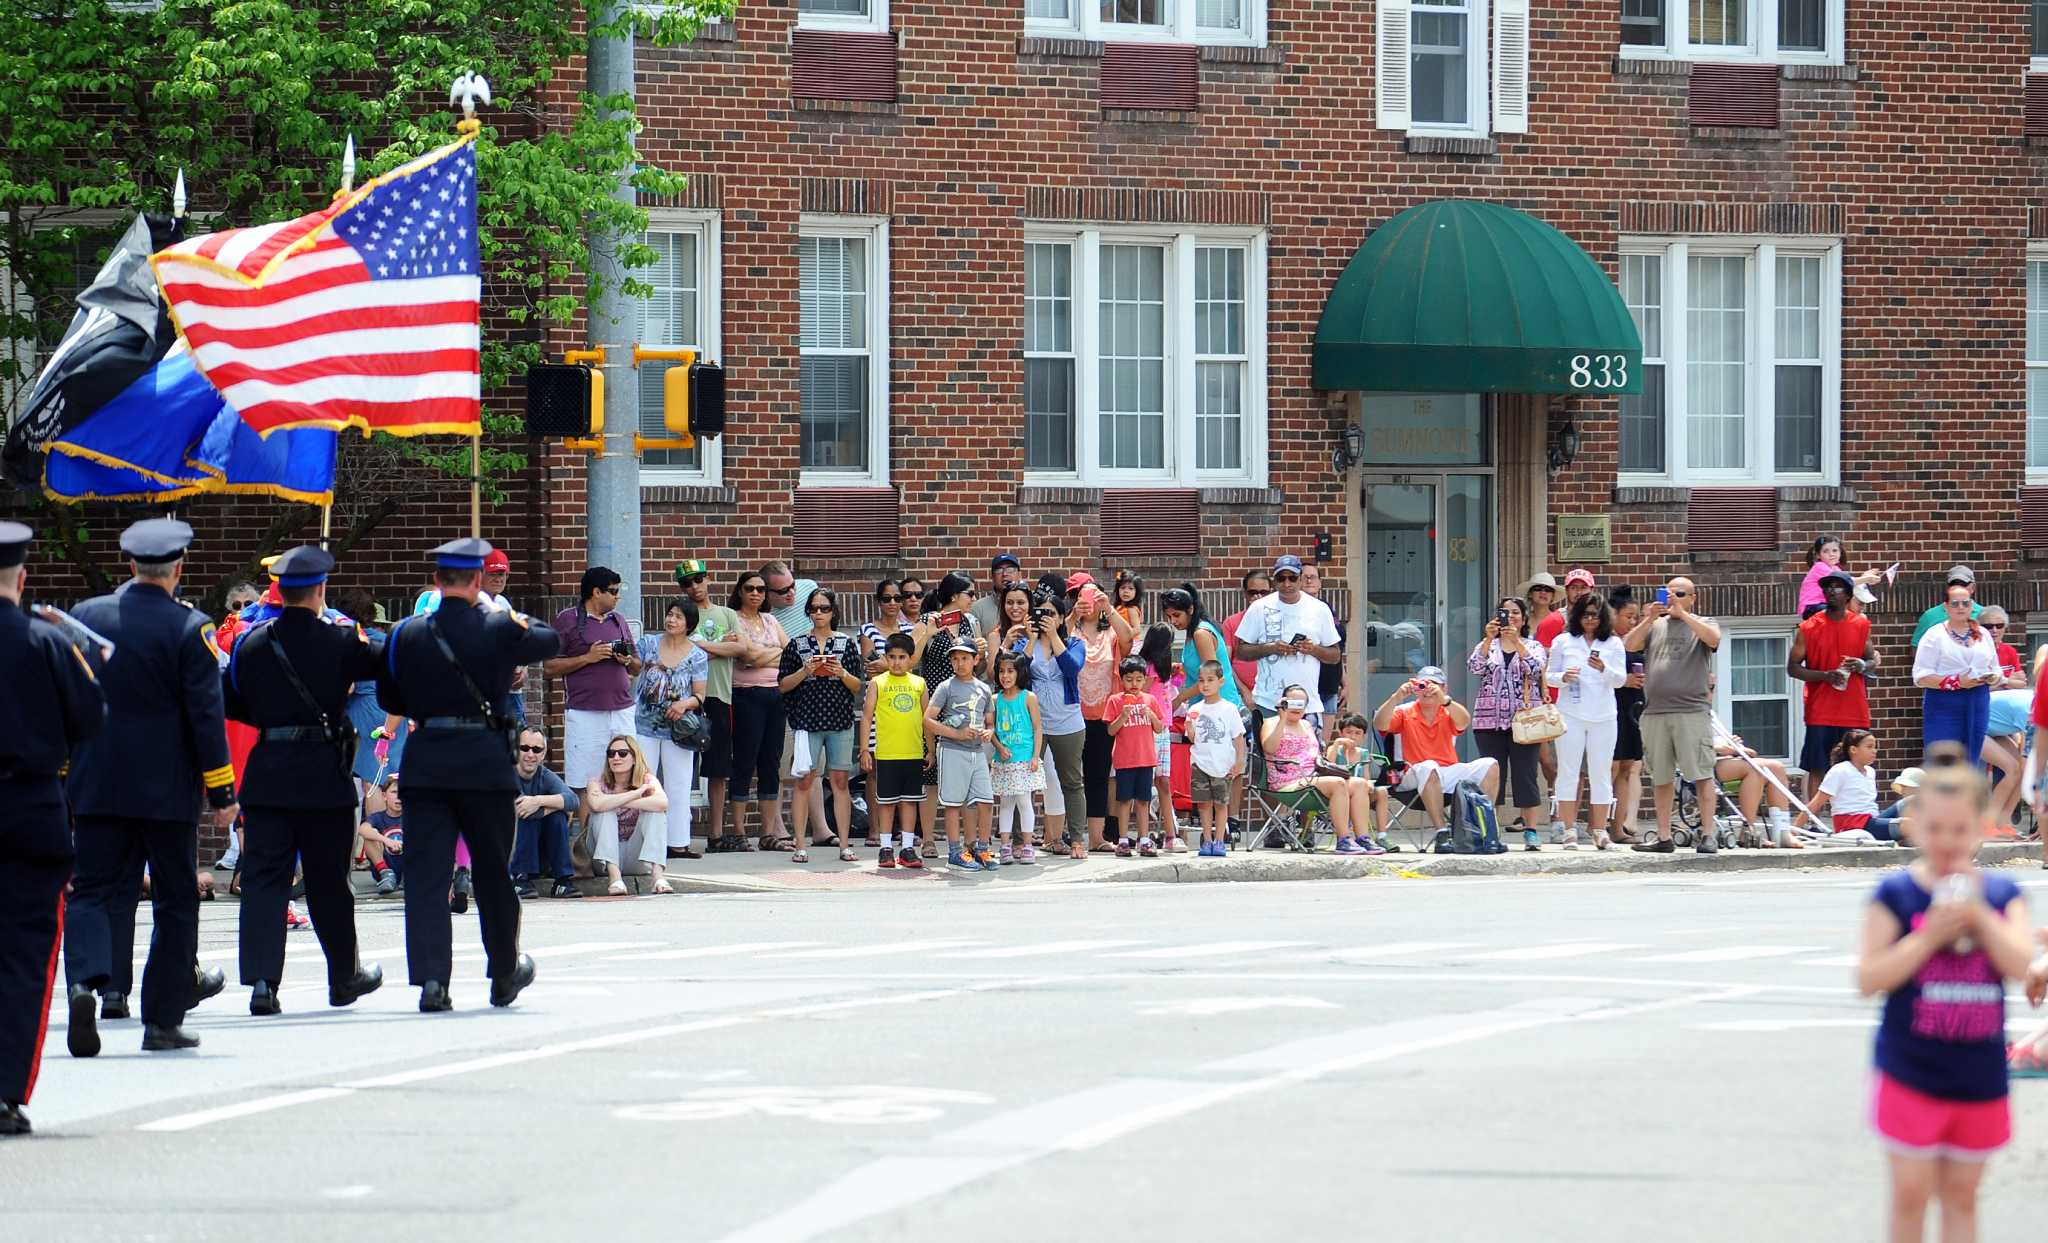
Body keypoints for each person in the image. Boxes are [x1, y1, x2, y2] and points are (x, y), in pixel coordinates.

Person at [63, 518, 238, 1056]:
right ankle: (161, 1020)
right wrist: (222, 793)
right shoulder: (191, 628)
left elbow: (66, 699)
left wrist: (68, 770)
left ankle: (84, 983)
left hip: (95, 784)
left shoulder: (84, 618)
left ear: (130, 565)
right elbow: (205, 717)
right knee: (176, 899)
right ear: (178, 568)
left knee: (91, 889)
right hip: (165, 791)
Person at [376, 537, 558, 1013]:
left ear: (437, 582)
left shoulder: (406, 633)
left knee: (427, 877)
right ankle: (503, 972)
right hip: (484, 762)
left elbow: (391, 701)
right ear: (478, 581)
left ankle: (433, 982)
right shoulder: (499, 625)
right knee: (494, 872)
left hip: (428, 762)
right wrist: (497, 609)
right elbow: (547, 638)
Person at [1855, 766, 2034, 1243]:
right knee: (1910, 1194)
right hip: (1910, 1071)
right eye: (1936, 829)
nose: (1948, 842)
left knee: (1961, 1197)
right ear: (1915, 825)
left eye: (1960, 830)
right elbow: (1869, 978)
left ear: (1980, 828)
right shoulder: (1896, 895)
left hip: (1978, 1075)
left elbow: (2021, 963)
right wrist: (1927, 935)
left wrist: (1981, 918)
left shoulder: (2001, 894)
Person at [220, 545, 386, 1017]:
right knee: (329, 880)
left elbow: (232, 702)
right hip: (323, 775)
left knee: (264, 880)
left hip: (269, 768)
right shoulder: (340, 639)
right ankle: (342, 977)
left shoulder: (252, 643)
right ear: (320, 590)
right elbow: (383, 664)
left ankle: (262, 984)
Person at [0, 522, 105, 1135]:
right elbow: (91, 720)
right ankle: (6, 1091)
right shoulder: (47, 642)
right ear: (22, 578)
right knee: (23, 956)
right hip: (30, 803)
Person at [545, 566, 641, 847]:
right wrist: (588, 657)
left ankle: (620, 846)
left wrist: (625, 661)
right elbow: (549, 666)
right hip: (585, 712)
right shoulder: (568, 620)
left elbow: (637, 664)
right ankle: (583, 852)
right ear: (595, 592)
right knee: (587, 781)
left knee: (625, 775)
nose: (616, 598)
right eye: (612, 592)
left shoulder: (619, 621)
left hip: (622, 710)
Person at [1625, 577, 1723, 855]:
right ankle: (1664, 836)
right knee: (1661, 777)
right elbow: (1629, 645)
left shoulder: (1704, 622)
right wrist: (1649, 619)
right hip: (1656, 712)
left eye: (1679, 593)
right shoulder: (1655, 625)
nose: (1673, 598)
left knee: (1702, 774)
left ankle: (1707, 834)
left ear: (1693, 596)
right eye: (1669, 593)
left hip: (1691, 711)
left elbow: (1714, 639)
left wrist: (1684, 615)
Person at [778, 588, 863, 863]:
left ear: (833, 611)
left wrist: (841, 672)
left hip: (839, 719)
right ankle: (800, 844)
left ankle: (845, 845)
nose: (818, 613)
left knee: (840, 780)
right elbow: (782, 685)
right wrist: (805, 671)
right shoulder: (796, 644)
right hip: (807, 720)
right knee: (804, 780)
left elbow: (857, 686)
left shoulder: (847, 643)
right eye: (814, 608)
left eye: (824, 608)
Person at [1789, 569, 1880, 800]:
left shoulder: (1861, 624)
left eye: (1837, 586)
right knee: (1818, 767)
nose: (1830, 590)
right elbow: (1793, 667)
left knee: (1856, 765)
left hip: (1854, 709)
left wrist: (1861, 665)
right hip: (1821, 709)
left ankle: (1853, 811)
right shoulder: (1809, 627)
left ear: (1848, 594)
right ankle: (1814, 821)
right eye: (1827, 586)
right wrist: (1825, 676)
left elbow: (1871, 661)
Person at [1545, 592, 1626, 851]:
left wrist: (1604, 668)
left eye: (1595, 615)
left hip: (1603, 715)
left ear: (1604, 618)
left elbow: (1620, 680)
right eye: (1585, 614)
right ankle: (1568, 829)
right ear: (1576, 616)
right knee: (1568, 770)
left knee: (1601, 772)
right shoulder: (1563, 641)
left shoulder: (1613, 644)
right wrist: (1563, 678)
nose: (1590, 619)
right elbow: (1548, 677)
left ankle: (1600, 830)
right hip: (1571, 712)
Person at [1467, 595, 1549, 850]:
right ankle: (1492, 829)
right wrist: (1489, 639)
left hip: (1524, 721)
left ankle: (1531, 830)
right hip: (1489, 720)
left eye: (1515, 613)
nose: (1510, 617)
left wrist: (1517, 643)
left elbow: (1536, 670)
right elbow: (1474, 668)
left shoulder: (1533, 646)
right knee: (1493, 776)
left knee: (1526, 775)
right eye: (1505, 612)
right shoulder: (1487, 645)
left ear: (1524, 619)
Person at [1372, 667, 1496, 834]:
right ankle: (1442, 832)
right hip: (1411, 774)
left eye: (1434, 685)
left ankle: (1481, 829)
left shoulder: (1449, 709)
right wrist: (1396, 698)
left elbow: (1464, 722)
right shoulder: (1403, 711)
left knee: (1490, 764)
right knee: (1429, 766)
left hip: (1446, 773)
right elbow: (1379, 724)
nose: (1428, 690)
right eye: (1423, 685)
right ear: (1415, 688)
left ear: (1444, 688)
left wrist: (1444, 700)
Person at [678, 561, 747, 853]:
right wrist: (720, 644)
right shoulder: (682, 614)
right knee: (682, 768)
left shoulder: (727, 614)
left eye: (698, 579)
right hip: (689, 696)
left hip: (720, 695)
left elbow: (741, 648)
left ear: (708, 579)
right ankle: (679, 833)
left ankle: (716, 834)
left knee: (719, 768)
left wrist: (700, 646)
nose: (694, 587)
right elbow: (679, 652)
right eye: (687, 583)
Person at [635, 597, 708, 861]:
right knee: (643, 783)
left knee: (678, 785)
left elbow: (700, 694)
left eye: (678, 616)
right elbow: (632, 667)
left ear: (689, 623)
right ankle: (642, 842)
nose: (671, 620)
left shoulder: (697, 655)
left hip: (678, 728)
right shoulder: (648, 644)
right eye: (669, 614)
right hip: (644, 725)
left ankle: (678, 843)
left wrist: (683, 704)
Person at [1233, 555, 1340, 734]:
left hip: (1307, 704)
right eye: (1281, 578)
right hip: (1269, 701)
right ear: (1275, 581)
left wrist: (1313, 649)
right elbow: (1241, 651)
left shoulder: (1319, 609)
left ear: (1300, 579)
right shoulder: (1259, 607)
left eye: (1292, 578)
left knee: (1306, 761)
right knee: (1268, 759)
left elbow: (1335, 655)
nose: (1287, 583)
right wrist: (1271, 648)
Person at [726, 569, 791, 848]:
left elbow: (791, 655)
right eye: (750, 588)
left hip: (775, 696)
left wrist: (761, 656)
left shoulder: (771, 619)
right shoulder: (733, 620)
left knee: (770, 764)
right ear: (740, 591)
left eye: (761, 590)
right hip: (746, 696)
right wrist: (763, 655)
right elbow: (746, 657)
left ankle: (768, 834)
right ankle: (739, 832)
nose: (756, 593)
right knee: (744, 762)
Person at [1070, 578, 1136, 849]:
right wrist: (1073, 613)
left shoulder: (1110, 633)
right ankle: (1067, 835)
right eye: (1083, 597)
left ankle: (1096, 838)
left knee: (1097, 776)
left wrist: (1109, 608)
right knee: (1069, 777)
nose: (1089, 602)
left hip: (1103, 715)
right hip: (1072, 713)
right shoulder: (1071, 629)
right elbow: (1054, 643)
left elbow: (1129, 638)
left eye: (1094, 596)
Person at [1021, 594, 1087, 856]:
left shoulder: (1074, 644)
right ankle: (1020, 841)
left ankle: (1077, 841)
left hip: (1068, 723)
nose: (1045, 618)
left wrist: (1055, 638)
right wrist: (1032, 639)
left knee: (1071, 782)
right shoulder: (1027, 644)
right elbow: (1018, 672)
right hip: (1034, 724)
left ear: (1061, 618)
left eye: (1051, 613)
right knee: (1022, 780)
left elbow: (1072, 669)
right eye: (1041, 613)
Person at [860, 632, 928, 869]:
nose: (897, 662)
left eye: (902, 657)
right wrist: (865, 750)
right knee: (887, 802)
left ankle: (907, 848)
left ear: (911, 659)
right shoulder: (877, 683)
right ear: (886, 658)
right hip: (887, 753)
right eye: (892, 657)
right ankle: (885, 847)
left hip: (913, 752)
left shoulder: (919, 683)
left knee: (909, 801)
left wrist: (929, 748)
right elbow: (867, 717)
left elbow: (926, 718)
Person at [928, 643, 997, 870]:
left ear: (976, 660)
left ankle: (982, 848)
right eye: (955, 659)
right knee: (953, 803)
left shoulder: (984, 689)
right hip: (952, 749)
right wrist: (956, 734)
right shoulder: (945, 687)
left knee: (985, 800)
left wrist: (989, 731)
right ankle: (955, 852)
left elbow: (990, 721)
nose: (960, 663)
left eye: (965, 658)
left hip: (977, 751)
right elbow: (928, 720)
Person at [1259, 686, 1354, 846]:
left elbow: (1315, 755)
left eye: (1301, 703)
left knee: (1359, 784)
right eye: (1292, 702)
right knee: (1337, 783)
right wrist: (1282, 718)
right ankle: (1344, 840)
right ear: (1283, 703)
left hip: (1312, 777)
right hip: (1287, 781)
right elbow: (1269, 748)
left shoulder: (1307, 725)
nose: (1296, 707)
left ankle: (1362, 838)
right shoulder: (1271, 723)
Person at [1915, 583, 1998, 764]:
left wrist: (1992, 677)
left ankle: (1968, 792)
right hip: (1944, 703)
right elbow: (1921, 676)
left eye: (1965, 603)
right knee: (1943, 758)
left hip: (1978, 700)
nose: (1961, 607)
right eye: (1955, 603)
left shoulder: (1982, 633)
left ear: (1972, 605)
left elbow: (1995, 668)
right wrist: (1956, 681)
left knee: (1972, 757)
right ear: (1946, 607)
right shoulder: (1934, 635)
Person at [584, 735, 673, 895]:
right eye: (611, 754)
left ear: (634, 758)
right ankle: (615, 879)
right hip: (602, 858)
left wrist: (620, 800)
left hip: (636, 856)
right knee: (605, 812)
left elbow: (662, 802)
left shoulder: (646, 779)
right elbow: (596, 804)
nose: (616, 757)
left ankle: (658, 877)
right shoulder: (596, 782)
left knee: (655, 813)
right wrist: (637, 794)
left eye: (622, 753)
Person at [1103, 656, 1165, 856]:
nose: (1134, 684)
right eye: (1129, 679)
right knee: (1124, 800)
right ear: (1122, 679)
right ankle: (1122, 840)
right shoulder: (1115, 700)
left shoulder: (1150, 700)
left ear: (1145, 679)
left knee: (1144, 800)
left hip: (1146, 759)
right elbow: (1110, 731)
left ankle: (1144, 839)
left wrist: (1151, 715)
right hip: (1124, 760)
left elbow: (1159, 727)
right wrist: (1123, 715)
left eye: (1139, 679)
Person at [1185, 661, 1246, 857]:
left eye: (1210, 680)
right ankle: (1207, 840)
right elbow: (1193, 739)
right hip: (1200, 763)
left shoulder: (1229, 709)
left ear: (1221, 681)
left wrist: (1239, 761)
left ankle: (1220, 840)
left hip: (1223, 764)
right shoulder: (1195, 708)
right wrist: (1189, 728)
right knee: (1203, 804)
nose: (1205, 685)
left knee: (1221, 804)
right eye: (1201, 680)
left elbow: (1238, 737)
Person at [510, 727, 580, 899]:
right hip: (508, 855)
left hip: (539, 854)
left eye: (537, 749)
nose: (530, 754)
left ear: (543, 753)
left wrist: (538, 801)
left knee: (557, 817)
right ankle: (519, 880)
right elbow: (520, 809)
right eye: (524, 748)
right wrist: (555, 805)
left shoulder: (545, 775)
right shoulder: (506, 774)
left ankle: (562, 881)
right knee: (527, 813)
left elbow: (573, 800)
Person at [990, 651, 1043, 865]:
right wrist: (999, 747)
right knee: (1006, 803)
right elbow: (991, 730)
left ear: (1019, 672)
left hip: (1024, 758)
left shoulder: (1028, 697)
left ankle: (1028, 845)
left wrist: (1035, 756)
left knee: (1024, 800)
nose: (1005, 676)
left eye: (1010, 671)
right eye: (1001, 671)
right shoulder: (995, 700)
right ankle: (1005, 846)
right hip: (1004, 760)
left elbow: (1038, 728)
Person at [1136, 623, 1183, 850]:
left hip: (1163, 727)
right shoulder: (1148, 667)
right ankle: (1144, 833)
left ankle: (1170, 832)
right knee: (1147, 781)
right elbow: (1140, 693)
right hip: (1147, 727)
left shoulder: (1162, 667)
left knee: (1163, 780)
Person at [1608, 589, 1647, 843]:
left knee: (1627, 767)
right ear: (1613, 615)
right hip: (1611, 707)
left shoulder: (1638, 640)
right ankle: (1599, 824)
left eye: (1636, 617)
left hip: (1633, 707)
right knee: (1609, 769)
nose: (1632, 622)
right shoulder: (1605, 642)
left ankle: (1619, 828)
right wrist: (1624, 681)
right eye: (1628, 617)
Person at [1323, 714, 1390, 855]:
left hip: (1361, 794)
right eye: (1348, 732)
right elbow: (1327, 768)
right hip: (1339, 793)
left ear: (1363, 736)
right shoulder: (1335, 750)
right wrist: (1336, 744)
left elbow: (1366, 777)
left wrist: (1369, 785)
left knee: (1382, 791)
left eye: (1357, 733)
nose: (1352, 736)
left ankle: (1382, 836)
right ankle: (1348, 837)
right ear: (1341, 733)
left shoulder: (1363, 753)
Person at [1806, 728, 1880, 835]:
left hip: (1872, 818)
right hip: (1852, 823)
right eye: (1869, 747)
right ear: (1853, 750)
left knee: (1907, 802)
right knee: (1905, 825)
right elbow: (1816, 802)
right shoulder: (1840, 770)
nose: (1874, 751)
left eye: (1875, 747)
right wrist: (1793, 830)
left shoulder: (1870, 771)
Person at [1798, 535, 1882, 620]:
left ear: (1840, 552)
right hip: (1812, 607)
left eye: (1835, 550)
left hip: (1826, 605)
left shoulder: (1835, 568)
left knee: (1858, 617)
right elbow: (1845, 581)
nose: (1831, 554)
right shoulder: (1820, 567)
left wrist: (1865, 577)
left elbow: (1849, 582)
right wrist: (1866, 578)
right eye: (1825, 551)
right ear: (1818, 555)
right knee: (1846, 616)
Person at [1222, 569, 1270, 703]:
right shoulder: (1231, 622)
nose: (1258, 596)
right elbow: (1225, 662)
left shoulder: (1279, 622)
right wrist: (1244, 692)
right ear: (1245, 594)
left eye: (1264, 593)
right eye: (1252, 592)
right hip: (1241, 695)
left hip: (1272, 695)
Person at [1911, 565, 1984, 646]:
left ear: (1973, 587)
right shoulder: (1930, 616)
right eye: (1954, 583)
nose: (1958, 587)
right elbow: (1916, 647)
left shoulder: (1984, 614)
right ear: (1947, 587)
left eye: (1963, 584)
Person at [358, 774, 405, 892]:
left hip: (408, 867)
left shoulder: (411, 816)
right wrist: (387, 840)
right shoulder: (378, 817)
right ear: (384, 795)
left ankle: (409, 875)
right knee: (370, 834)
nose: (398, 797)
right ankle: (386, 873)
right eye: (394, 792)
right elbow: (362, 829)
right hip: (386, 867)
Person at [860, 577, 915, 671]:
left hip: (906, 685)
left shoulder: (910, 629)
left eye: (897, 598)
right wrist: (901, 667)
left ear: (901, 602)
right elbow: (871, 670)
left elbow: (913, 667)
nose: (892, 603)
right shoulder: (868, 630)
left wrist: (886, 666)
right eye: (886, 599)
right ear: (879, 602)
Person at [971, 553, 1026, 639]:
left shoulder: (1030, 605)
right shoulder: (977, 608)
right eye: (999, 570)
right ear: (992, 576)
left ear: (1019, 575)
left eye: (1010, 569)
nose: (1004, 574)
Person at [1979, 607, 2026, 688]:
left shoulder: (2010, 651)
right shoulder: (1974, 651)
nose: (1994, 630)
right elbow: (1978, 688)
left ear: (2005, 627)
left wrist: (2001, 681)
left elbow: (2022, 684)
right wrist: (2008, 681)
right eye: (1988, 626)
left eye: (1999, 626)